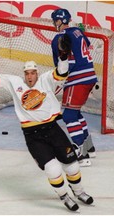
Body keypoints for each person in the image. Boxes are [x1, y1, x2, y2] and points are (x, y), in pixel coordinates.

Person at [0, 45, 93, 211]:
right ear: (24, 74)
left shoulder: (46, 79)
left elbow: (61, 72)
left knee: (72, 166)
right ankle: (64, 195)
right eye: (27, 73)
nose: (30, 76)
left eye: (33, 72)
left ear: (37, 73)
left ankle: (79, 191)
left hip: (53, 129)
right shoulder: (16, 83)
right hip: (33, 136)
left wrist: (63, 57)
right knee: (53, 169)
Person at [51, 8, 97, 167]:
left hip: (77, 78)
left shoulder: (58, 38)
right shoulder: (77, 31)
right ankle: (89, 147)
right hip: (90, 75)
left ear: (58, 21)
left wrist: (58, 81)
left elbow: (60, 65)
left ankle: (82, 154)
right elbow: (87, 45)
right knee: (76, 113)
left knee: (69, 116)